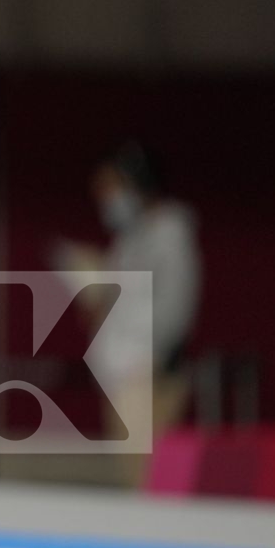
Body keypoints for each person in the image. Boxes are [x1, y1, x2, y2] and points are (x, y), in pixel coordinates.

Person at [53, 140, 201, 487]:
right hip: (123, 374)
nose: (105, 198)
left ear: (139, 183)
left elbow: (173, 311)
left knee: (146, 481)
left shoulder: (170, 236)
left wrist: (148, 364)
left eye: (111, 187)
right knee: (132, 478)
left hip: (147, 375)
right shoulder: (131, 239)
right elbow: (121, 300)